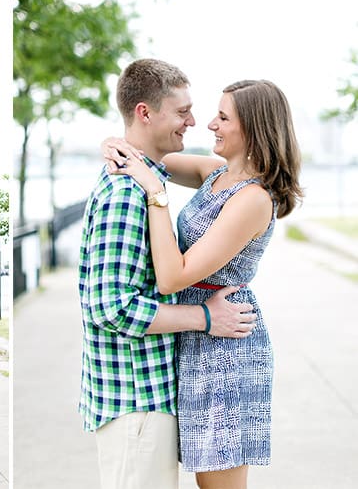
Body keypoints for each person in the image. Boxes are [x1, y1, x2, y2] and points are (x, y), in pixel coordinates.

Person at [102, 78, 303, 488]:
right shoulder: (216, 174)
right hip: (199, 332)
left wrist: (157, 194)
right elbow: (145, 157)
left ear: (253, 128)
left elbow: (172, 275)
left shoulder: (253, 199)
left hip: (226, 346)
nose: (209, 124)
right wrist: (110, 144)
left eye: (223, 117)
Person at [78, 58, 258, 489]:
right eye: (182, 112)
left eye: (214, 115)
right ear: (145, 112)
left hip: (150, 390)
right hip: (135, 398)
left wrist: (127, 151)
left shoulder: (148, 179)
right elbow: (112, 307)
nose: (196, 123)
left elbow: (212, 177)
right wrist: (207, 319)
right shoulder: (129, 193)